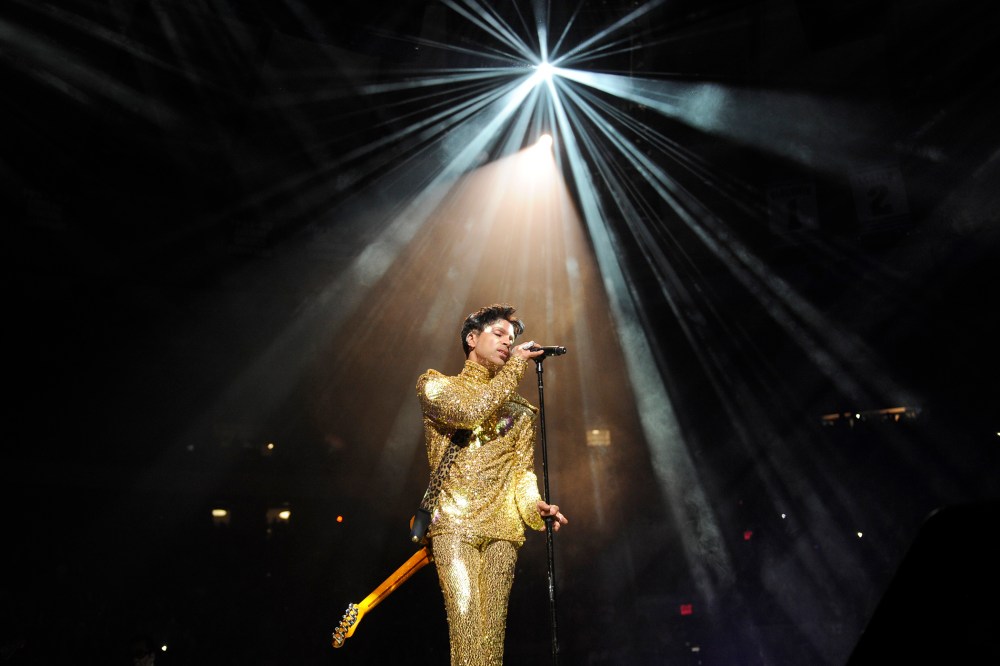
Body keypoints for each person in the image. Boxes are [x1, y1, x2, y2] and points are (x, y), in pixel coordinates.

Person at [415, 303, 568, 666]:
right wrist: (516, 365)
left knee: (490, 636)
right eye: (498, 334)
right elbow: (470, 411)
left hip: (503, 530)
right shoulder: (435, 385)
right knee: (465, 622)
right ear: (472, 338)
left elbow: (521, 475)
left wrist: (536, 508)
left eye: (512, 339)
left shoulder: (520, 412)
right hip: (454, 525)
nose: (507, 343)